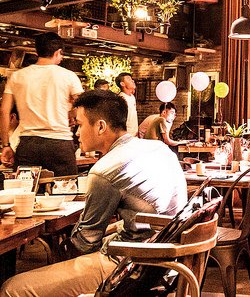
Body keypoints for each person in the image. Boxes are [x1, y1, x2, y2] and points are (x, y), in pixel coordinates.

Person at [0, 90, 187, 297]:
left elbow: (86, 242)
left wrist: (69, 236)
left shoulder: (106, 169)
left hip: (132, 267)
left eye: (79, 125)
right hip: (169, 263)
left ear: (100, 126)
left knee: (12, 288)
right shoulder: (159, 149)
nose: (76, 133)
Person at [0, 32, 83, 176]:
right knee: (66, 187)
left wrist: (6, 145)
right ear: (57, 52)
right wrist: (70, 114)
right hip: (60, 143)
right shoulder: (69, 76)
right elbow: (83, 106)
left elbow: (4, 111)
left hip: (28, 144)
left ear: (37, 52)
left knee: (26, 187)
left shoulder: (17, 76)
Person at [115, 72, 138, 136]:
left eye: (131, 79)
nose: (132, 81)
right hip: (126, 134)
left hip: (134, 133)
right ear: (122, 84)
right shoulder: (122, 98)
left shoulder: (132, 97)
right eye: (129, 79)